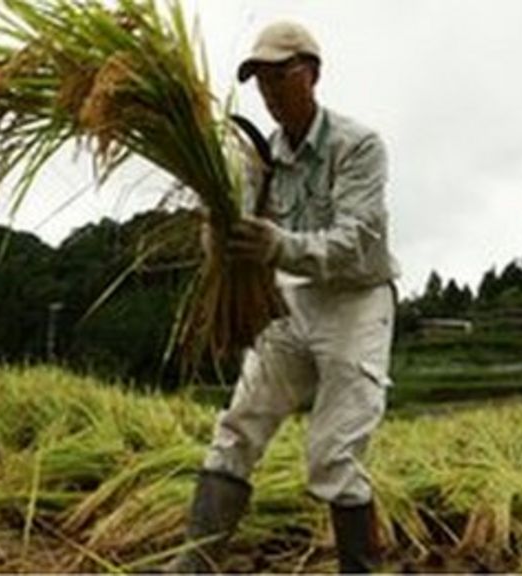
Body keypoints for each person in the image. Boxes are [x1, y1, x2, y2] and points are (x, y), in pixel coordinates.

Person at [170, 20, 398, 574]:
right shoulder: (259, 160)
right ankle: (194, 566)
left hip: (356, 301)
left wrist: (277, 244)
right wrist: (219, 234)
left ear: (312, 74)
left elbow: (354, 242)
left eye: (281, 75)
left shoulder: (357, 145)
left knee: (333, 455)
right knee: (237, 427)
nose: (270, 90)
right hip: (293, 301)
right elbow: (241, 237)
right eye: (260, 80)